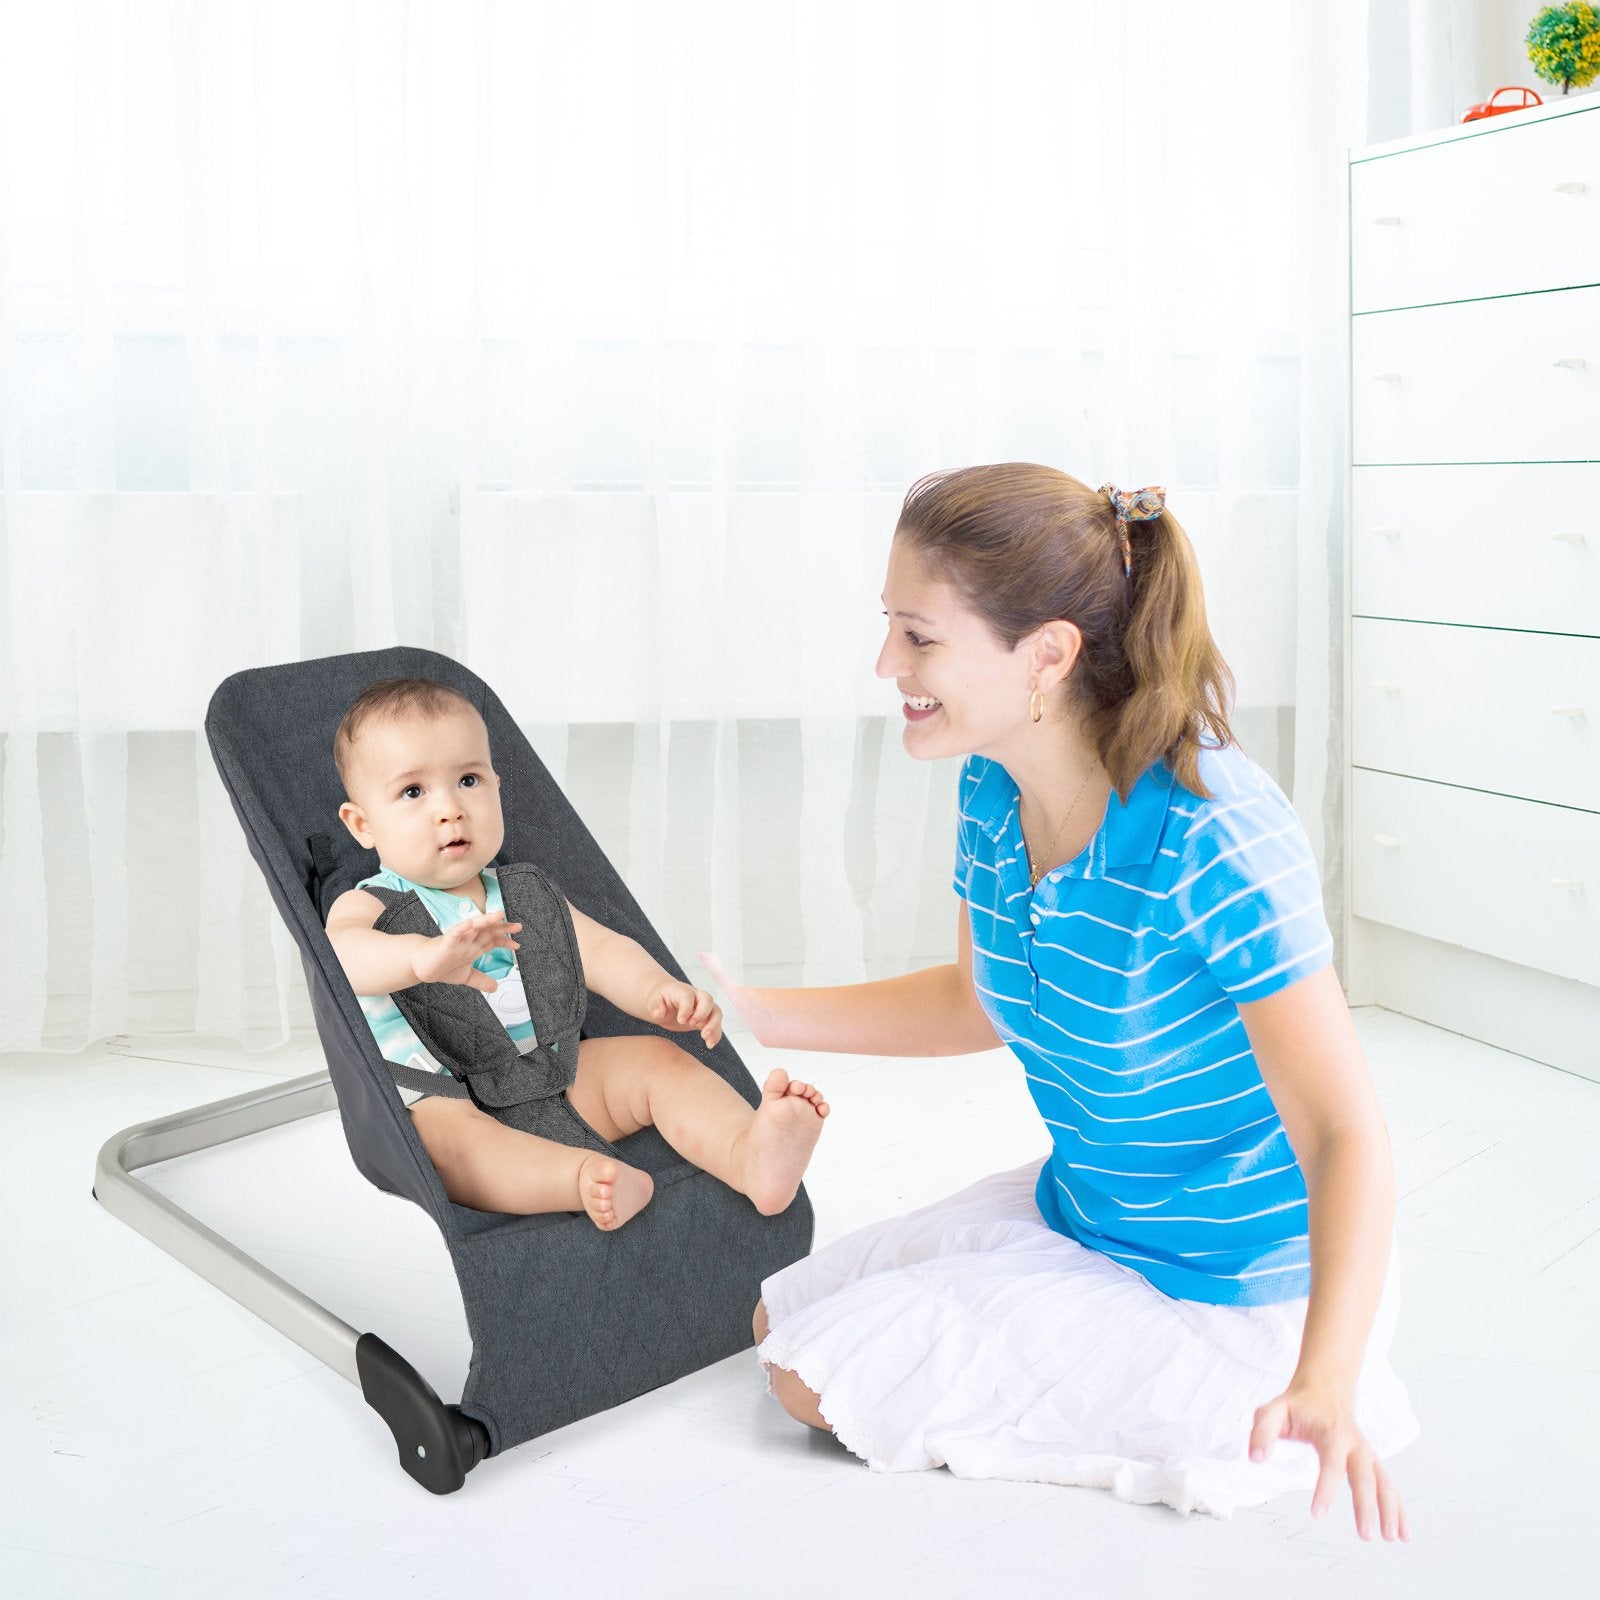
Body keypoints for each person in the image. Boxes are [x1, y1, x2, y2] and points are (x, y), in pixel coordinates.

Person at [705, 463, 1419, 1534]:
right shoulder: (992, 783)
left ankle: (1240, 1404)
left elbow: (1342, 1131)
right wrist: (750, 1009)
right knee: (779, 1315)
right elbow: (974, 1000)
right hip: (1088, 1211)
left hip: (1234, 1288)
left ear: (1044, 653)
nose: (885, 663)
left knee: (807, 1381)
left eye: (919, 636)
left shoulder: (1213, 834)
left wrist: (1325, 1375)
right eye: (888, 628)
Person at [326, 676, 828, 1230]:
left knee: (655, 1062)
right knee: (451, 1148)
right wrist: (421, 959)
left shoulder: (524, 892)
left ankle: (750, 1155)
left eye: (468, 780)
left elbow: (601, 950)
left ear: (496, 786)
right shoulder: (368, 905)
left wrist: (656, 991)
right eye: (413, 792)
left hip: (552, 1071)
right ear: (363, 824)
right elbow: (343, 961)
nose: (450, 809)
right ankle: (580, 1177)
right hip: (450, 1099)